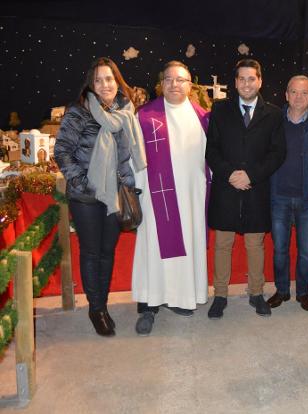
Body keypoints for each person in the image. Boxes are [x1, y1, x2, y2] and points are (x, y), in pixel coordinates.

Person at [55, 57, 146, 337]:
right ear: (90, 84)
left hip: (115, 193)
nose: (105, 84)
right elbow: (62, 152)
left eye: (109, 79)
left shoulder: (127, 111)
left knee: (107, 251)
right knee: (92, 251)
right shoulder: (79, 112)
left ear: (117, 81)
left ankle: (101, 304)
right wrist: (83, 182)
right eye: (98, 80)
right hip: (87, 196)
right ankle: (97, 308)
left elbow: (129, 155)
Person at [131, 61, 210, 335]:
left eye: (181, 80)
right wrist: (140, 190)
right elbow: (134, 159)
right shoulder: (144, 116)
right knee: (153, 247)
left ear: (190, 85)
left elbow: (209, 161)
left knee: (185, 244)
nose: (175, 85)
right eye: (169, 79)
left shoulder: (203, 117)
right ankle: (149, 303)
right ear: (161, 84)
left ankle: (180, 297)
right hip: (156, 197)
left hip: (190, 198)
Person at [205, 59, 286, 318]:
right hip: (226, 188)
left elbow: (277, 153)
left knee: (255, 244)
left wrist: (251, 174)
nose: (247, 83)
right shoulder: (220, 110)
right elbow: (212, 150)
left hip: (256, 187)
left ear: (260, 81)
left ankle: (256, 293)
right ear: (236, 82)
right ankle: (219, 295)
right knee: (223, 244)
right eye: (242, 79)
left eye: (252, 78)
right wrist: (230, 174)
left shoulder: (273, 113)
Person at [266, 75, 308, 312]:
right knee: (279, 249)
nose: (298, 97)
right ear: (286, 95)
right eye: (294, 91)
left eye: (304, 93)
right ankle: (282, 290)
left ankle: (303, 292)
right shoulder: (273, 122)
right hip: (279, 198)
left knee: (306, 251)